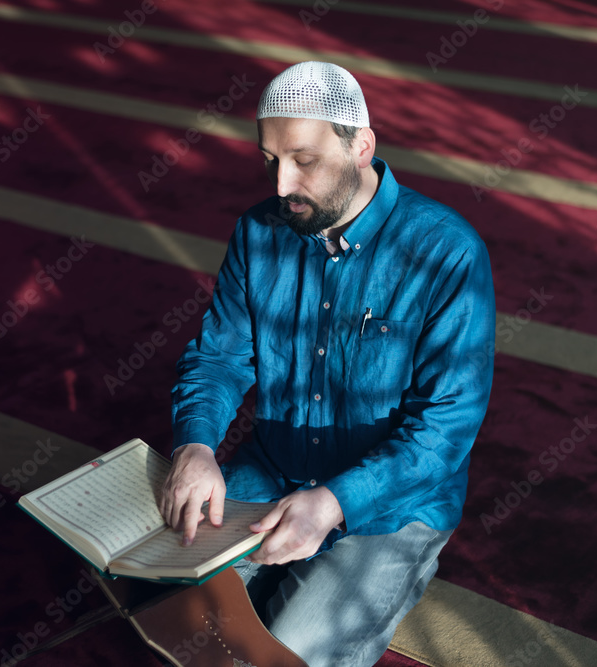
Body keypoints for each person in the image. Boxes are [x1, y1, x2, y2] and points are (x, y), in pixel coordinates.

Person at [160, 61, 495, 666]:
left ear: (361, 147)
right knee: (173, 607)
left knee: (291, 656)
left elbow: (446, 428)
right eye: (269, 159)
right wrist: (195, 446)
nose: (282, 183)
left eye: (304, 160)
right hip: (275, 467)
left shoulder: (446, 251)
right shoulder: (258, 232)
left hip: (391, 506)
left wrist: (337, 501)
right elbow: (218, 358)